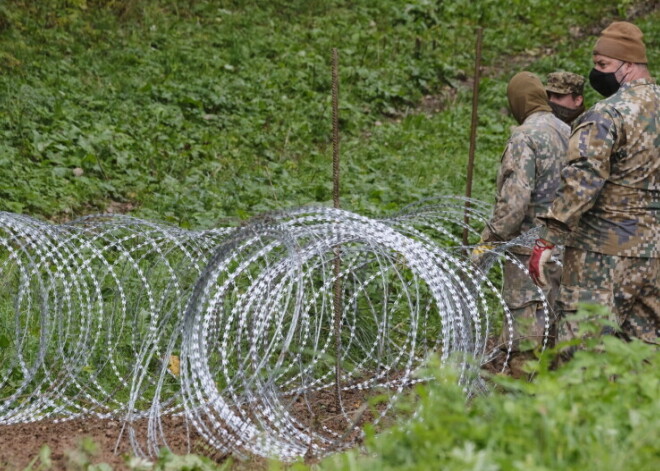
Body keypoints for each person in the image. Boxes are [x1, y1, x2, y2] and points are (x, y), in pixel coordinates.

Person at [529, 21, 659, 348]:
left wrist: (548, 239)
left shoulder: (606, 113)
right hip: (654, 256)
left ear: (628, 65)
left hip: (601, 254)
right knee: (646, 359)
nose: (596, 73)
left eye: (603, 65)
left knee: (584, 356)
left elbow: (583, 180)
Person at [474, 71, 570, 372]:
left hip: (527, 249)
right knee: (557, 323)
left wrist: (489, 238)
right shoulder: (568, 130)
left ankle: (522, 398)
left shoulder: (524, 136)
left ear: (517, 101)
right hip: (563, 243)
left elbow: (515, 201)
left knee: (526, 330)